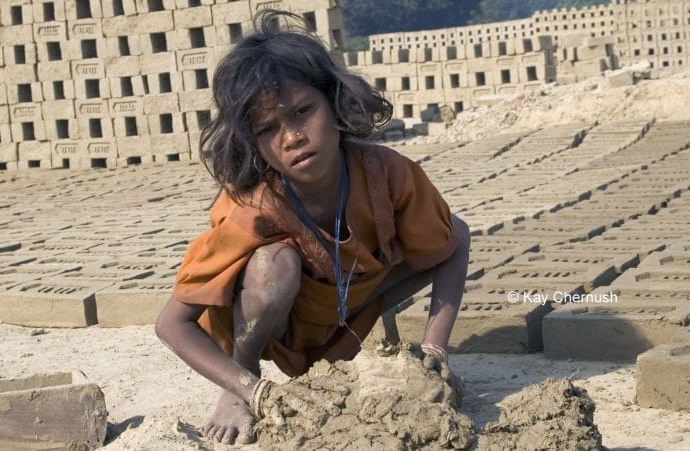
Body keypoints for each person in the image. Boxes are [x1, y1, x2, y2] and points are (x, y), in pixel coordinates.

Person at [155, 10, 470, 445]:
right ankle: (239, 381)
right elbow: (171, 323)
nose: (292, 137)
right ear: (254, 145)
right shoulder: (255, 207)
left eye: (303, 112)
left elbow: (455, 240)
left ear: (336, 104)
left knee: (447, 234)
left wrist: (434, 352)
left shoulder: (387, 173)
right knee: (273, 267)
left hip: (356, 306)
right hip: (279, 326)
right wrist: (252, 389)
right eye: (268, 128)